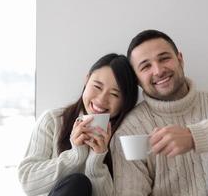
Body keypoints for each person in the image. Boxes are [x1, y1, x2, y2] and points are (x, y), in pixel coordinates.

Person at [110, 29, 208, 196]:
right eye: (146, 66)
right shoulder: (130, 131)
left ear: (180, 60)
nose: (158, 70)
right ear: (137, 80)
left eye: (164, 58)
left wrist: (195, 137)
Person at [18, 53, 138, 196]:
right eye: (97, 87)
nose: (101, 99)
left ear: (125, 102)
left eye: (114, 94)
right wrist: (75, 156)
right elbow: (28, 183)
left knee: (79, 183)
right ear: (86, 80)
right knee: (77, 183)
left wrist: (96, 160)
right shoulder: (53, 121)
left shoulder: (125, 138)